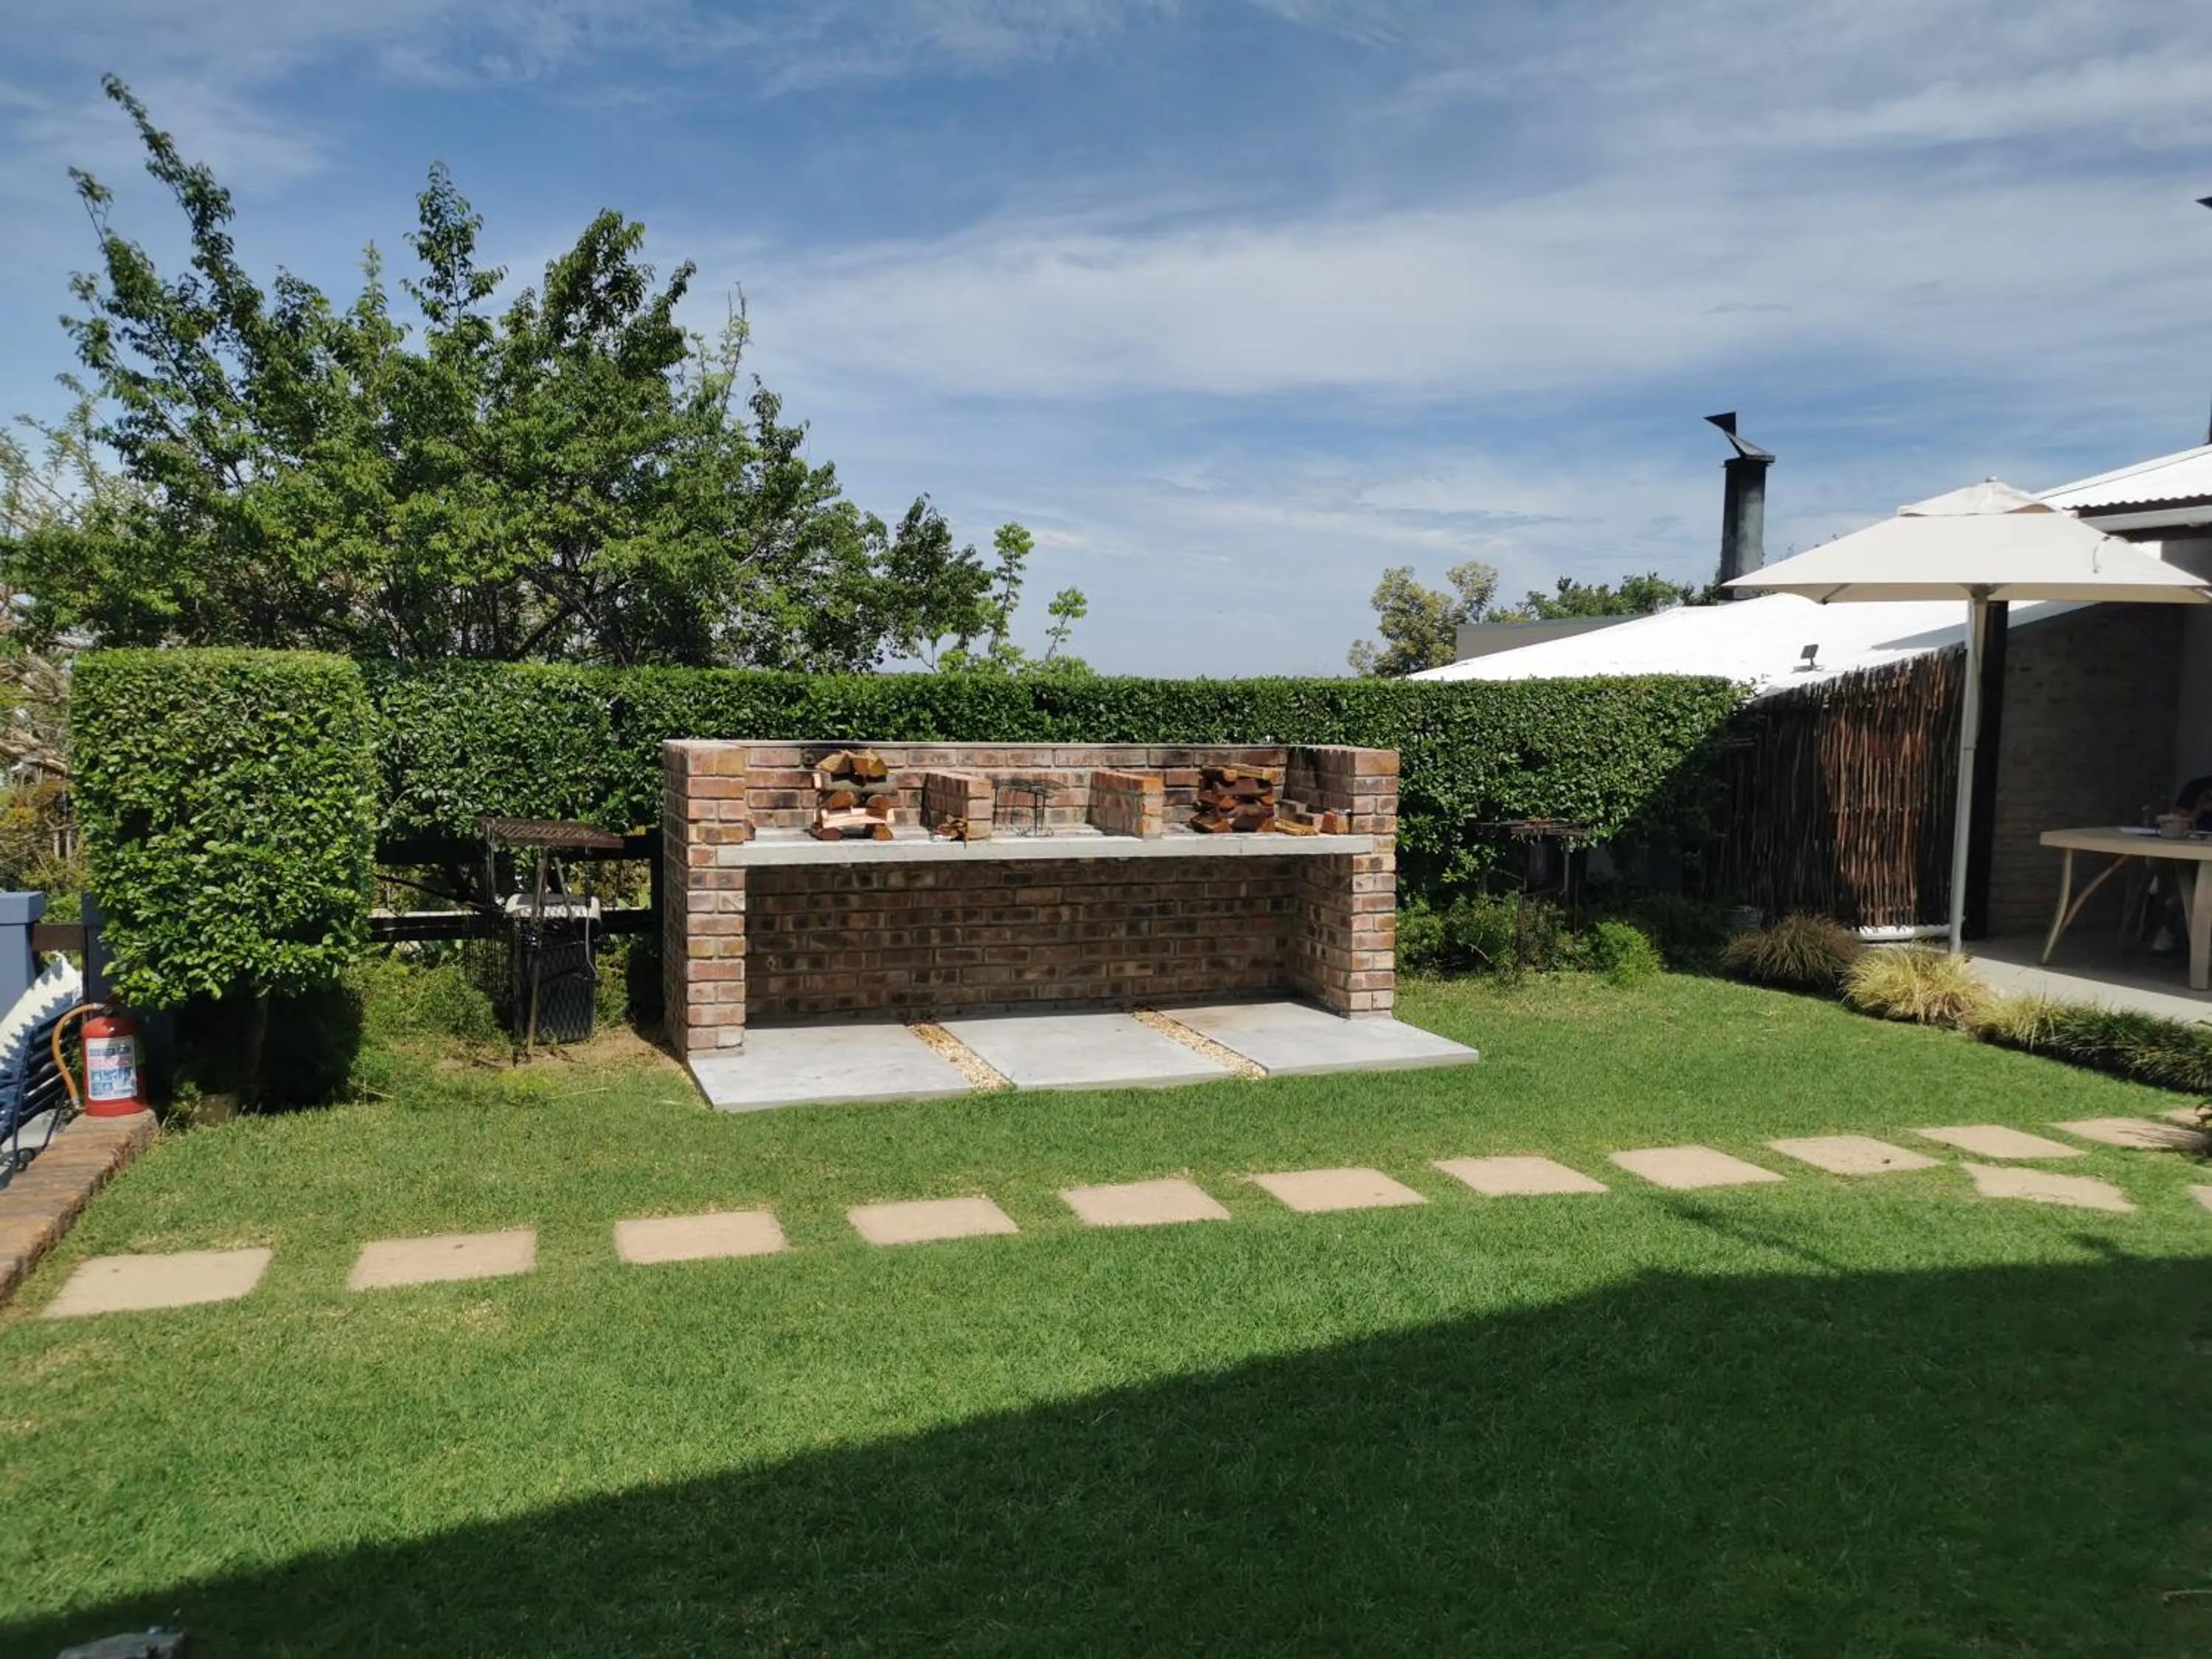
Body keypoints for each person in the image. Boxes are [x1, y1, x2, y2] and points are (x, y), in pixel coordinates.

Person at [2147, 776, 2212, 953]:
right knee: (2177, 870)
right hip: (2192, 853)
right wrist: (2200, 808)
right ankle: (2169, 928)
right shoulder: (2199, 786)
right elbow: (2175, 822)